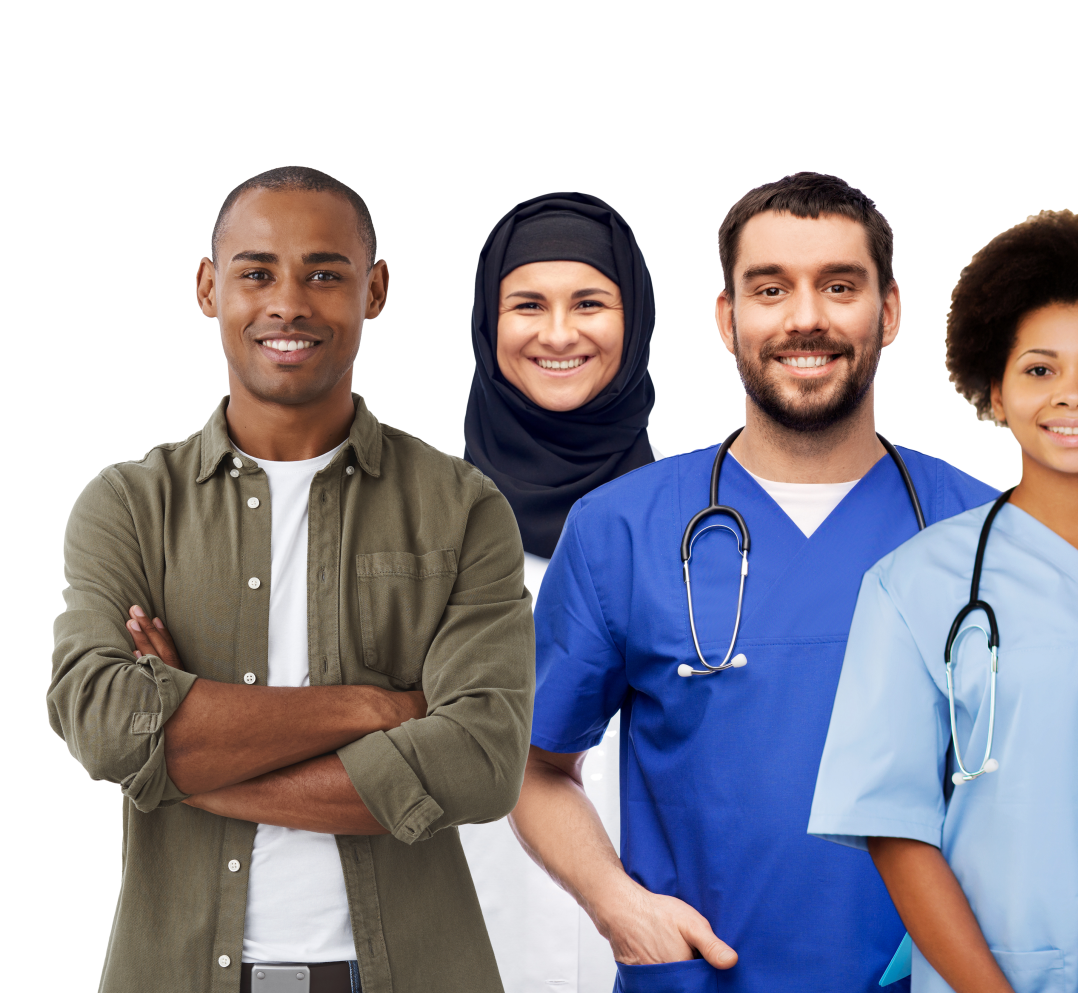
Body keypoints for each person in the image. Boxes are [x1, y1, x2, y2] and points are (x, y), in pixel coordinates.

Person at [509, 171, 995, 992]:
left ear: (891, 311)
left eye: (840, 285)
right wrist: (616, 904)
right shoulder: (621, 528)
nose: (806, 317)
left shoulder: (981, 531)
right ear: (728, 319)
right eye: (771, 289)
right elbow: (528, 765)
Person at [53, 165, 531, 991]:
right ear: (209, 287)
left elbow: (482, 760)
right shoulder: (128, 504)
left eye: (324, 273)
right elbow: (101, 724)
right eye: (257, 272)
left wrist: (185, 761)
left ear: (375, 289)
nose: (289, 304)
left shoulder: (461, 508)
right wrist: (371, 707)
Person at [808, 209, 1078, 992]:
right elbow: (895, 826)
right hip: (986, 975)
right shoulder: (915, 584)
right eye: (1040, 369)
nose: (1073, 396)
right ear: (994, 385)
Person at [460, 191, 662, 992]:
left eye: (589, 302)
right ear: (487, 321)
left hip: (665, 955)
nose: (557, 333)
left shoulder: (698, 530)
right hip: (463, 953)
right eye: (527, 304)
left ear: (636, 318)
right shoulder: (413, 535)